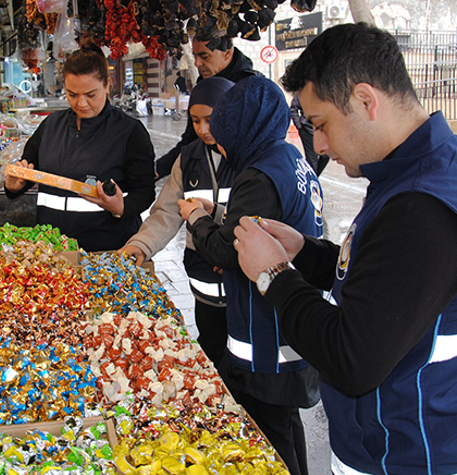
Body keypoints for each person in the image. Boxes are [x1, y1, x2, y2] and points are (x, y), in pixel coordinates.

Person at [232, 23, 457, 474]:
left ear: (364, 101)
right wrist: (305, 253)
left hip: (416, 456)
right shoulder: (426, 165)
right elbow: (384, 281)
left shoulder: (425, 205)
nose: (318, 145)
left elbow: (350, 358)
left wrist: (274, 276)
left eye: (321, 125)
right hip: (392, 446)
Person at [178, 76, 323, 475]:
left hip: (267, 335)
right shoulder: (290, 157)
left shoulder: (258, 174)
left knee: (269, 434)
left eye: (224, 135)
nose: (220, 145)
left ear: (244, 130)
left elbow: (229, 248)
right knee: (285, 424)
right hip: (288, 331)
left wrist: (197, 220)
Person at [119, 77, 236, 366]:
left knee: (242, 359)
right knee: (211, 349)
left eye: (210, 120)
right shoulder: (189, 158)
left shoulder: (248, 156)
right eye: (195, 121)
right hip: (204, 282)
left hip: (241, 283)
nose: (203, 129)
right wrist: (141, 245)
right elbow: (167, 212)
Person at [4, 41, 156, 252]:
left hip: (107, 252)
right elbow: (29, 169)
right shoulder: (51, 125)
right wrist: (14, 187)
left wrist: (121, 207)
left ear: (107, 86)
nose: (81, 104)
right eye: (72, 94)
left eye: (91, 95)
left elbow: (145, 191)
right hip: (53, 251)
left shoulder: (129, 132)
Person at [154, 37, 262, 179]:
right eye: (195, 56)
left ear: (227, 53)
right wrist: (158, 169)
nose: (197, 63)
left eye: (204, 56)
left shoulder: (255, 89)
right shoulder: (203, 85)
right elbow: (190, 140)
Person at [290, 94, 329, 176]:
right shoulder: (303, 92)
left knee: (326, 155)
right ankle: (312, 180)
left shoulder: (324, 92)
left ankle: (312, 178)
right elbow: (293, 108)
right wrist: (299, 125)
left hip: (322, 130)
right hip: (307, 131)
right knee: (312, 159)